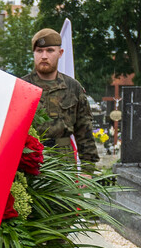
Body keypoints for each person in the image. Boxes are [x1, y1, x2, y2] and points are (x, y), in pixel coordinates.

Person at [21, 28, 99, 166]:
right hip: (29, 159)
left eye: (50, 50)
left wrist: (88, 170)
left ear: (60, 53)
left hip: (63, 163)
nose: (44, 56)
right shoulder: (22, 87)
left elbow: (84, 131)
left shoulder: (73, 88)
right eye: (39, 51)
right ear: (33, 53)